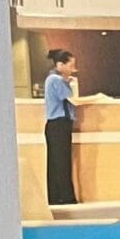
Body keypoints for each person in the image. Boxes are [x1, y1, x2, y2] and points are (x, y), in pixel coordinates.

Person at [42, 48, 78, 205]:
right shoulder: (56, 80)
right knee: (62, 163)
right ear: (60, 65)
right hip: (59, 125)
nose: (73, 69)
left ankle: (57, 198)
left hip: (55, 126)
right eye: (71, 65)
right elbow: (74, 100)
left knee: (56, 163)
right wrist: (97, 98)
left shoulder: (54, 79)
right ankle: (66, 198)